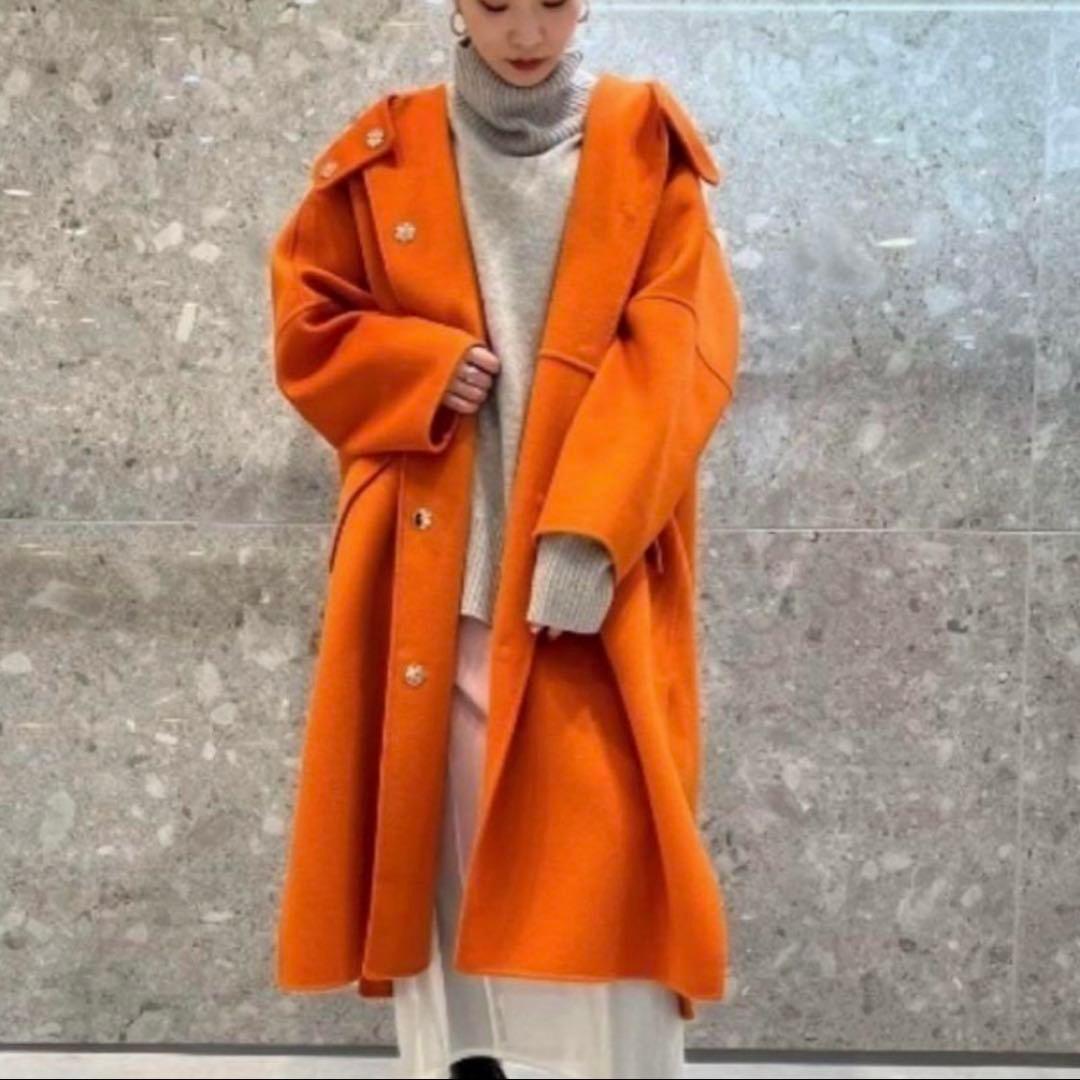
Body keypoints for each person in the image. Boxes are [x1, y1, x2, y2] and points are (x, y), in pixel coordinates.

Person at [388, 4, 691, 1078]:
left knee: (604, 832)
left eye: (552, 0)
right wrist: (414, 372)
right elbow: (310, 320)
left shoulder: (640, 138)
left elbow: (679, 348)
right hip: (439, 562)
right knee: (448, 832)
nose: (526, 31)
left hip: (591, 558)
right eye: (496, 2)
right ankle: (469, 1058)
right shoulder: (393, 145)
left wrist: (587, 537)